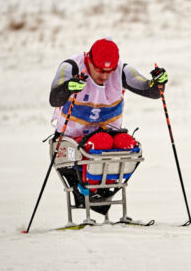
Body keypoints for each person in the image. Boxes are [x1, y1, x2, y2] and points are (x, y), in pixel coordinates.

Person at [49, 37, 168, 214]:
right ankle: (87, 192)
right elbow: (54, 99)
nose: (105, 76)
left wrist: (159, 83)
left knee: (130, 147)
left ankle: (105, 193)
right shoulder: (71, 66)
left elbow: (150, 90)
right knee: (101, 142)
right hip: (70, 140)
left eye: (109, 71)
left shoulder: (121, 70)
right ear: (89, 60)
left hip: (108, 134)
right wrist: (68, 87)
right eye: (99, 70)